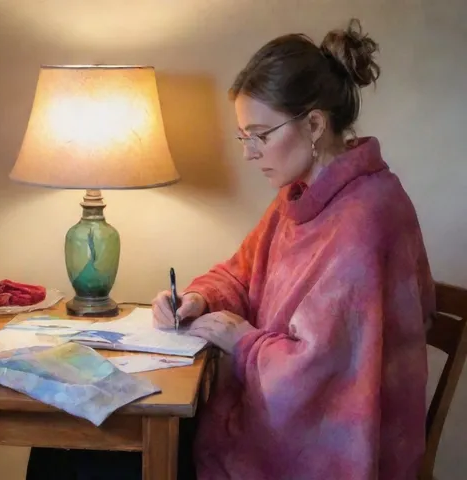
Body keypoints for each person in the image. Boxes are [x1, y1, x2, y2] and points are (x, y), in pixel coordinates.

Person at [27, 18, 434, 480]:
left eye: (260, 134)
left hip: (305, 453)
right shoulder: (299, 198)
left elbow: (324, 378)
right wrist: (199, 299)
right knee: (62, 440)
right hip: (256, 423)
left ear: (315, 124)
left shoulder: (368, 217)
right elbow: (240, 273)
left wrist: (241, 340)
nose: (249, 152)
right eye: (244, 136)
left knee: (78, 454)